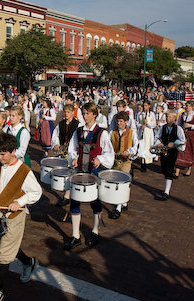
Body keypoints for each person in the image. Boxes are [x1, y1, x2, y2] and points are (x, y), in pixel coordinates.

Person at [0, 133, 42, 301]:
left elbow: (36, 192)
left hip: (15, 216)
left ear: (13, 151)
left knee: (4, 253)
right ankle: (29, 262)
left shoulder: (24, 171)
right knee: (5, 245)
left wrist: (20, 202)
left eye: (3, 154)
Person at [66, 102, 114, 249]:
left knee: (95, 201)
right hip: (80, 170)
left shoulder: (102, 133)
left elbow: (109, 153)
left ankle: (95, 231)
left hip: (94, 171)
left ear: (94, 114)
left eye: (88, 113)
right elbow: (72, 148)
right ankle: (75, 236)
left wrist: (100, 159)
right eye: (84, 113)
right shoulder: (78, 131)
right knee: (74, 201)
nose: (85, 116)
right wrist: (73, 158)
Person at [108, 111, 138, 219]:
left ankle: (118, 208)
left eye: (121, 121)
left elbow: (135, 146)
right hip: (116, 161)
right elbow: (108, 144)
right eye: (118, 121)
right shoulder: (112, 132)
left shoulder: (132, 132)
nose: (119, 123)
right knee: (116, 181)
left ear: (126, 122)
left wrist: (129, 151)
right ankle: (124, 202)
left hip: (126, 161)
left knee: (122, 182)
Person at [51, 103, 80, 206]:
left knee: (72, 173)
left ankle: (67, 196)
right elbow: (55, 136)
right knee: (65, 173)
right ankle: (67, 194)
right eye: (65, 112)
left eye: (68, 112)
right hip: (63, 152)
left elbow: (79, 140)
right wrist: (56, 144)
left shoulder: (78, 125)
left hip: (73, 152)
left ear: (73, 112)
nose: (66, 114)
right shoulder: (61, 124)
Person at [154, 110, 186, 200]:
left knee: (169, 169)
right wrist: (158, 143)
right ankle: (166, 185)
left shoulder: (178, 128)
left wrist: (174, 143)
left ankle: (166, 191)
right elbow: (157, 137)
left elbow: (182, 140)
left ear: (174, 118)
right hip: (163, 151)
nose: (168, 118)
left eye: (170, 117)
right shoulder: (162, 127)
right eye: (167, 117)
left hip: (172, 152)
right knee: (164, 169)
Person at [175, 101, 194, 177]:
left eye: (189, 106)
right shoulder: (183, 114)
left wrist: (191, 125)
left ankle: (189, 170)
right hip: (183, 134)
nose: (187, 107)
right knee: (180, 151)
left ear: (192, 107)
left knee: (190, 152)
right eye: (187, 106)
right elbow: (179, 124)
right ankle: (177, 172)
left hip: (191, 135)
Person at [136, 100, 156, 172]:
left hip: (148, 132)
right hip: (141, 132)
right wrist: (140, 126)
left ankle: (147, 162)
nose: (144, 107)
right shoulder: (139, 114)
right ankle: (142, 163)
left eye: (146, 106)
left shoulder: (152, 114)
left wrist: (148, 123)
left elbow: (154, 124)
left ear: (149, 106)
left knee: (147, 146)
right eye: (144, 105)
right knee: (142, 146)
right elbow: (137, 123)